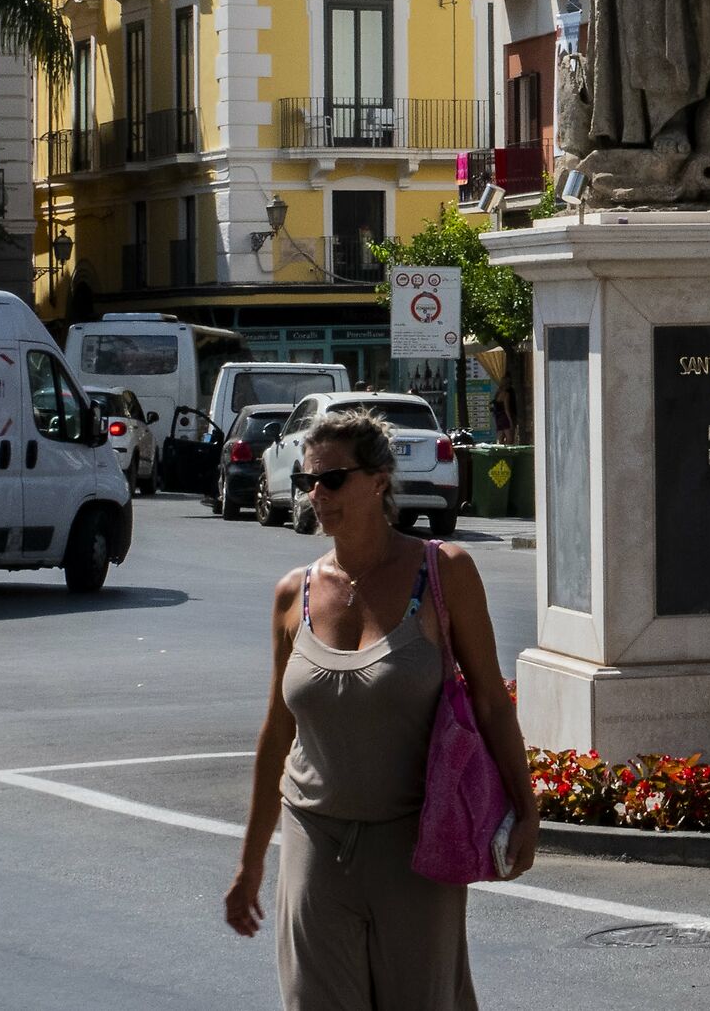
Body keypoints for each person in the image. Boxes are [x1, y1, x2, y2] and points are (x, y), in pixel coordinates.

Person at [225, 409, 539, 1006]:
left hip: (416, 846)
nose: (317, 493)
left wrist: (527, 809)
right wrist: (249, 865)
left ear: (377, 480)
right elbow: (276, 732)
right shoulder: (294, 593)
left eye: (333, 479)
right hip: (314, 841)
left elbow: (492, 704)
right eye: (307, 479)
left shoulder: (443, 572)